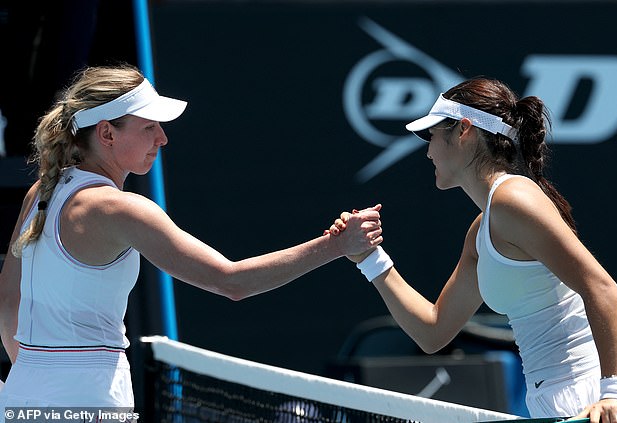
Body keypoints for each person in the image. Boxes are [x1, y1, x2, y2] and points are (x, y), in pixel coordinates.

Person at [0, 64, 383, 408]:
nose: (162, 139)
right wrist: (336, 245)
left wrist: (43, 380)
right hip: (90, 401)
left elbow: (8, 303)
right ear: (107, 134)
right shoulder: (122, 209)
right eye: (148, 127)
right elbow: (231, 281)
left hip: (22, 392)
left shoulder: (42, 193)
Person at [331, 77, 617, 423]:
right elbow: (433, 330)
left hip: (590, 401)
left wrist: (615, 395)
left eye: (432, 136)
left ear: (464, 131)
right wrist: (370, 258)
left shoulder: (512, 199)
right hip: (555, 402)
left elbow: (603, 288)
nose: (428, 151)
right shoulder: (484, 227)